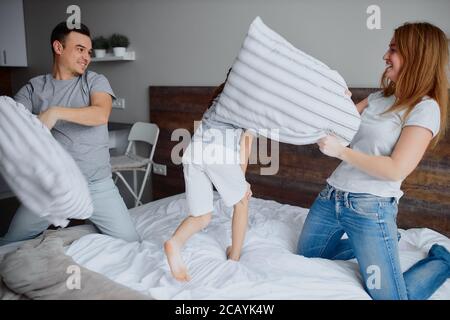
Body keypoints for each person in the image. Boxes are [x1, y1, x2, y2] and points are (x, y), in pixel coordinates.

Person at [297, 22, 450, 300]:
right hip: (332, 197)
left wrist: (341, 152)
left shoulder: (426, 109)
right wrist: (336, 104)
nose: (385, 56)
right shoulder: (378, 98)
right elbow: (337, 132)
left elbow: (396, 169)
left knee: (389, 298)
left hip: (371, 207)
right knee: (308, 254)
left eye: (393, 49)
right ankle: (385, 243)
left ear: (415, 56)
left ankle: (442, 261)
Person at [0, 22, 139, 245]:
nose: (86, 57)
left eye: (89, 52)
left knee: (131, 243)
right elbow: (13, 124)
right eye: (80, 49)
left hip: (98, 185)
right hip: (51, 188)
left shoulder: (94, 81)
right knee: (10, 242)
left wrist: (54, 113)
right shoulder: (34, 88)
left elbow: (100, 114)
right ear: (58, 47)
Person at [164, 70, 254, 281]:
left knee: (202, 215)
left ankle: (175, 243)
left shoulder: (218, 98)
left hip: (193, 152)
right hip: (217, 153)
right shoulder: (252, 104)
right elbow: (245, 145)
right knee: (242, 201)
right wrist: (241, 182)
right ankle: (234, 256)